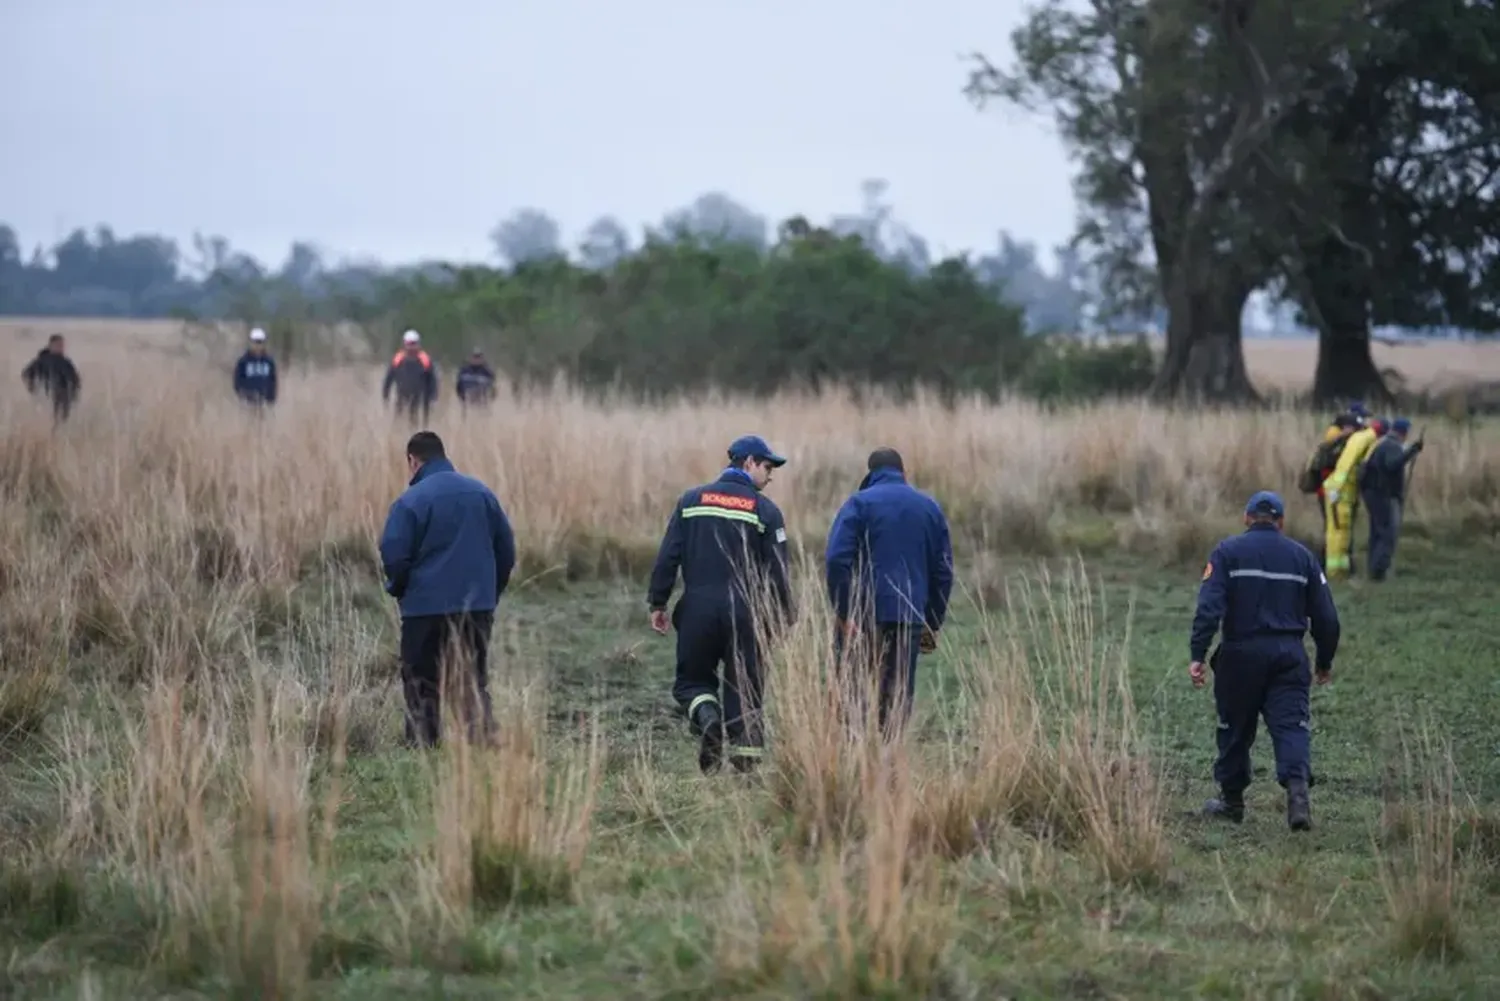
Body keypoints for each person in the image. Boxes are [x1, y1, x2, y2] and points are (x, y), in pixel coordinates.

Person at [1189, 490, 1340, 831]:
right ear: (1281, 522)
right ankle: (1298, 797)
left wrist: (1198, 654)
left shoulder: (1227, 552)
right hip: (1289, 656)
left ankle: (1231, 801)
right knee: (1291, 726)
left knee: (1235, 730)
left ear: (1246, 518)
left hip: (1240, 656)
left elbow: (1209, 608)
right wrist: (1324, 661)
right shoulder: (1303, 558)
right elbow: (1327, 618)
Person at [647, 434, 794, 774]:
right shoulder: (766, 511)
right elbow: (779, 572)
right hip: (747, 613)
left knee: (692, 683)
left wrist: (658, 601)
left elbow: (668, 555)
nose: (770, 476)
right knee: (745, 686)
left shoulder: (691, 500)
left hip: (697, 609)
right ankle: (745, 768)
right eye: (768, 467)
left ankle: (708, 718)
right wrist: (783, 617)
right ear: (748, 463)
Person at [378, 431, 517, 748]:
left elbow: (394, 554)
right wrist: (489, 594)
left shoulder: (410, 501)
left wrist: (401, 589)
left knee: (421, 681)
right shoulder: (482, 493)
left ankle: (423, 748)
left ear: (413, 461)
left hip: (424, 610)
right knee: (472, 680)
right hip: (476, 608)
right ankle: (482, 746)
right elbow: (506, 551)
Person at [824, 447, 954, 738]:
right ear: (903, 473)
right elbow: (943, 570)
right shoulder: (929, 507)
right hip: (909, 614)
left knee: (853, 688)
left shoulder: (858, 503)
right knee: (897, 693)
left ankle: (853, 757)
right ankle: (889, 761)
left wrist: (844, 611)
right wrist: (931, 621)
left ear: (870, 474)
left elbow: (836, 559)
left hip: (863, 614)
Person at [1298, 402, 1368, 572]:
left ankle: (1335, 564)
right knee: (1336, 528)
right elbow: (1327, 466)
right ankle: (1330, 564)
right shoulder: (1334, 444)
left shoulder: (1333, 442)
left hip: (1336, 493)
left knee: (1336, 528)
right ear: (1347, 428)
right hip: (1332, 494)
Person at [1320, 407, 1383, 580]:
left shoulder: (1361, 438)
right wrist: (1336, 489)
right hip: (1339, 494)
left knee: (1342, 532)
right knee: (1337, 532)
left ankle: (1341, 570)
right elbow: (1345, 465)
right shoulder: (1365, 439)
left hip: (1342, 493)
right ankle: (1334, 572)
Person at [1359, 417, 1424, 581]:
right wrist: (1411, 451)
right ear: (1403, 432)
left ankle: (1373, 569)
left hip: (1373, 493)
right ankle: (1379, 572)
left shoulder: (1382, 444)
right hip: (1383, 495)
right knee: (1387, 533)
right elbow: (1392, 465)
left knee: (1376, 532)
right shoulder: (1392, 446)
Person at [22, 333, 81, 424]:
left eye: (62, 345)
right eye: (58, 345)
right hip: (45, 401)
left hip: (64, 401)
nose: (61, 347)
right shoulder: (41, 361)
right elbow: (26, 375)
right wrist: (35, 390)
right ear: (51, 345)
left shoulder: (66, 363)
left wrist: (73, 395)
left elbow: (75, 381)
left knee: (62, 424)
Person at [382, 330, 438, 425]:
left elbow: (432, 380)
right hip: (401, 398)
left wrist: (433, 397)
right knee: (399, 424)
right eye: (409, 344)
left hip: (420, 401)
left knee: (418, 425)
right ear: (404, 344)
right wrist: (385, 394)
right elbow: (389, 378)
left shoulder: (425, 360)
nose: (411, 347)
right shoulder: (398, 359)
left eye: (414, 344)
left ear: (418, 344)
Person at [233, 327, 278, 408]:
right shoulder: (243, 362)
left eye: (260, 342)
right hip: (248, 403)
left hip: (265, 403)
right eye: (255, 342)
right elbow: (238, 381)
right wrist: (243, 397)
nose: (257, 345)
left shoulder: (269, 362)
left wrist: (271, 399)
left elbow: (273, 381)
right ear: (250, 343)